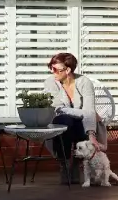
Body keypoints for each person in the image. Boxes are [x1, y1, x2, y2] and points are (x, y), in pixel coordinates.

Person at [42, 52, 106, 183]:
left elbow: (89, 108)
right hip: (62, 122)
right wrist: (86, 113)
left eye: (55, 69)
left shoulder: (84, 82)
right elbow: (59, 108)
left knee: (79, 122)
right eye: (51, 68)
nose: (52, 72)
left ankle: (76, 165)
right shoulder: (50, 82)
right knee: (64, 121)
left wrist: (92, 135)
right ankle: (64, 165)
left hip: (82, 124)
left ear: (68, 70)